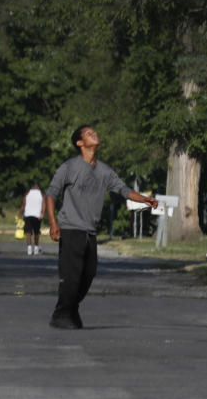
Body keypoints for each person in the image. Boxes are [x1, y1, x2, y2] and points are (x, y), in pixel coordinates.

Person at [46, 125, 158, 329]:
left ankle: (71, 309)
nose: (94, 134)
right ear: (80, 143)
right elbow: (51, 194)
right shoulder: (69, 167)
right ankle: (61, 314)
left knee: (88, 273)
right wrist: (53, 223)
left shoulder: (104, 170)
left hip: (90, 230)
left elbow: (123, 189)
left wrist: (145, 199)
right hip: (70, 228)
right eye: (88, 133)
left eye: (94, 131)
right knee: (71, 275)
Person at [18, 184, 46, 255]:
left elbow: (23, 204)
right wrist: (42, 213)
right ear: (38, 188)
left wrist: (20, 213)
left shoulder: (27, 193)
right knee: (36, 232)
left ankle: (29, 249)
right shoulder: (41, 194)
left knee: (28, 232)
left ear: (32, 188)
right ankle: (36, 248)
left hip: (28, 215)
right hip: (37, 215)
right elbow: (44, 204)